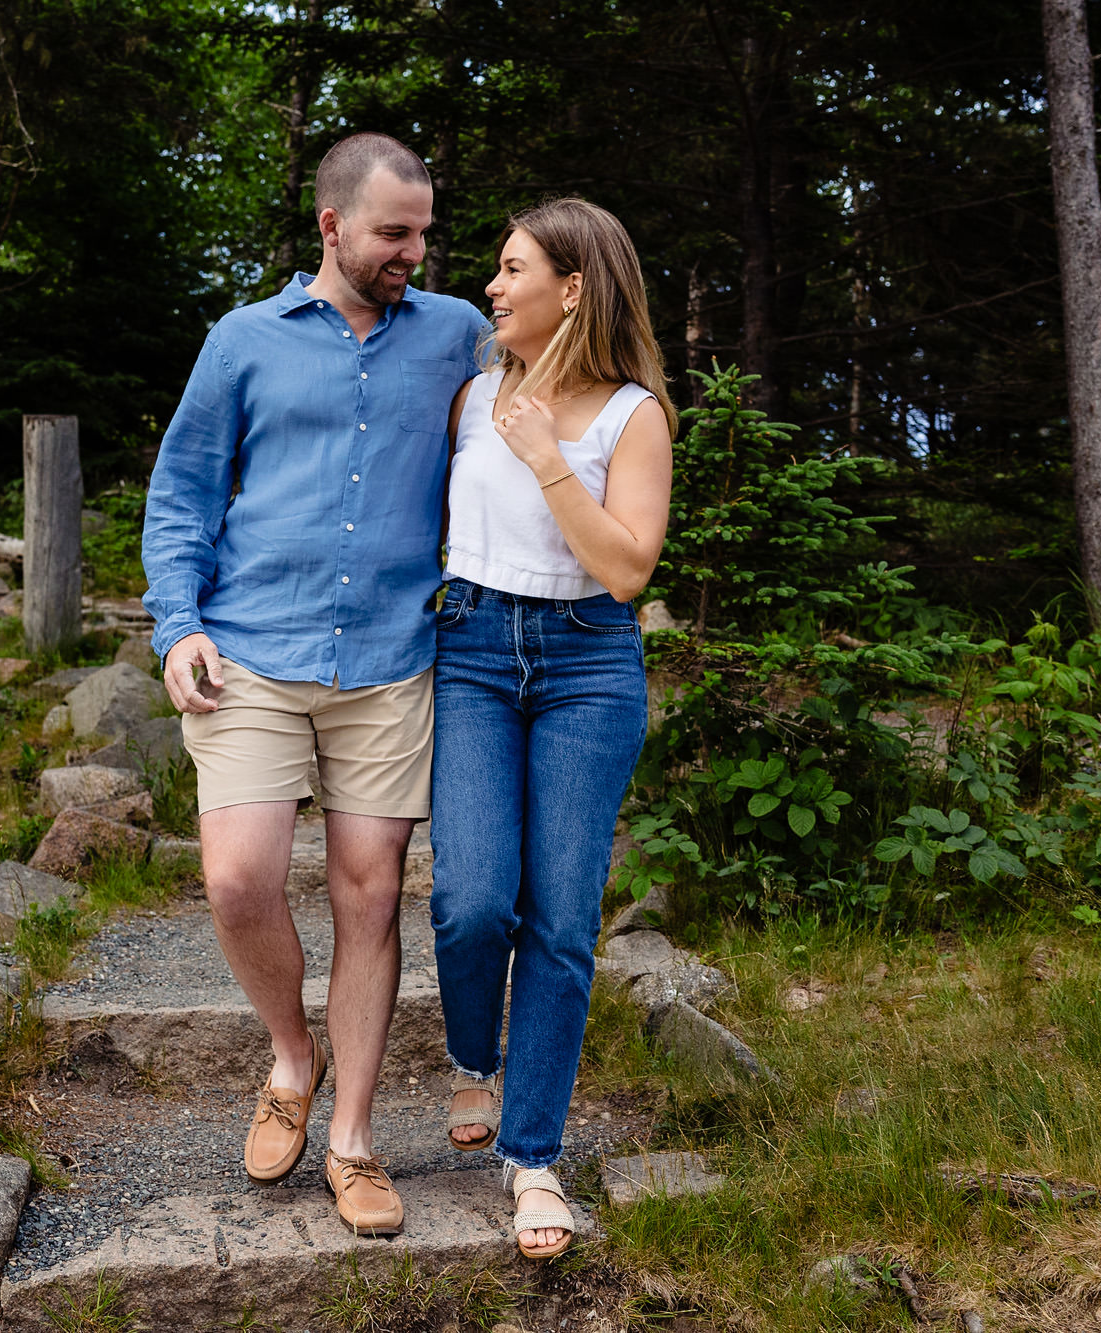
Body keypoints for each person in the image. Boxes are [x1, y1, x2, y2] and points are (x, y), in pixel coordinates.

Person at [141, 132, 491, 1237]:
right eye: (395, 233)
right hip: (251, 646)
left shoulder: (457, 337)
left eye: (424, 232)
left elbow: (527, 434)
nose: (415, 253)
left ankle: (349, 1137)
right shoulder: (240, 342)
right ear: (331, 227)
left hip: (389, 658)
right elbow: (181, 495)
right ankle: (290, 1054)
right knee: (240, 878)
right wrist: (175, 626)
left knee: (369, 891)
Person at [432, 198, 678, 1259]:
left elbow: (626, 569)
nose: (492, 287)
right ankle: (469, 1056)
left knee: (563, 922)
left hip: (586, 664)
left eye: (510, 268)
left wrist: (543, 454)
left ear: (571, 287)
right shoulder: (472, 392)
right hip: (472, 651)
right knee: (473, 898)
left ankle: (531, 1158)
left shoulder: (634, 415)